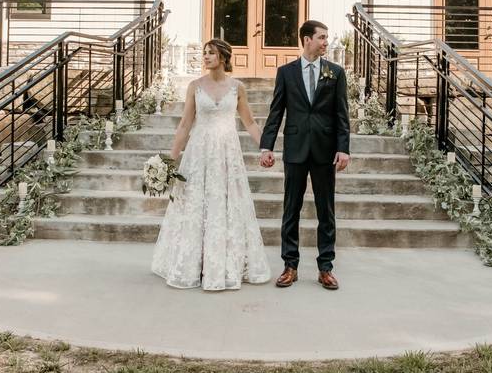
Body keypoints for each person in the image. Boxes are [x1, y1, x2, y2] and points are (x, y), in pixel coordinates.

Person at [150, 39, 271, 291]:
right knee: (197, 205)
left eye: (211, 53)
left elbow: (249, 122)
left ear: (224, 58)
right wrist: (170, 161)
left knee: (226, 205)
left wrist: (265, 147)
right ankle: (194, 263)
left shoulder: (237, 87)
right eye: (204, 53)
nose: (205, 57)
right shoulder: (195, 86)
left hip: (227, 153)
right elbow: (184, 125)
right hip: (199, 152)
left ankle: (225, 264)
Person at [259, 20, 351, 290]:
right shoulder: (286, 72)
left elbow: (341, 114)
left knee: (326, 211)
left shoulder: (335, 72)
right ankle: (290, 265)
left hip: (325, 150)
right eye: (322, 37)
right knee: (291, 209)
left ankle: (326, 267)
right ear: (307, 40)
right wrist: (267, 146)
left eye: (327, 37)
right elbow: (276, 111)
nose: (326, 42)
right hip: (296, 149)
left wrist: (343, 147)